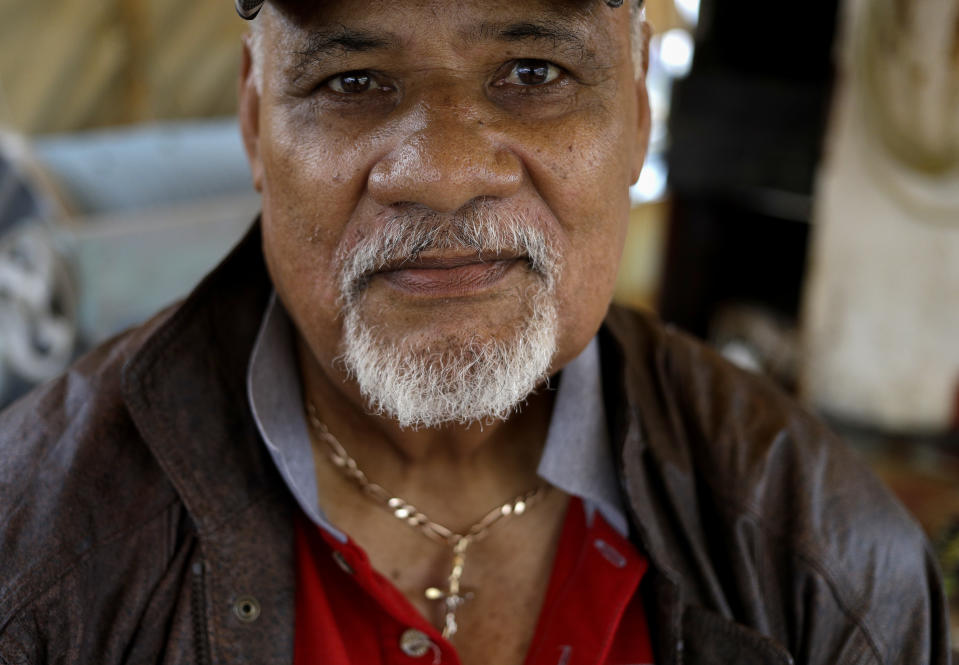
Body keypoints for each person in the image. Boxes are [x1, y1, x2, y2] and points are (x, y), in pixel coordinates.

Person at [0, 0, 949, 663]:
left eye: (532, 74)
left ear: (633, 109)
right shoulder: (38, 552)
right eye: (354, 79)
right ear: (255, 118)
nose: (443, 169)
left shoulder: (822, 553)